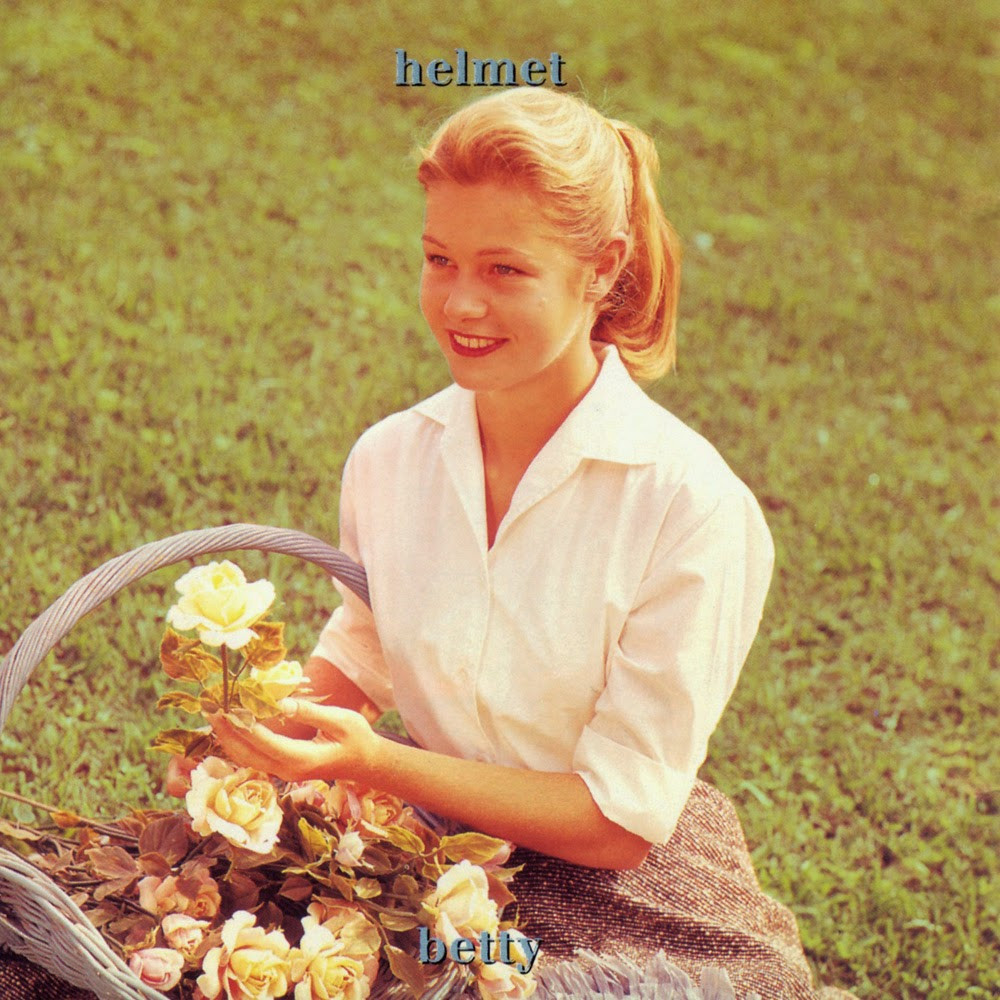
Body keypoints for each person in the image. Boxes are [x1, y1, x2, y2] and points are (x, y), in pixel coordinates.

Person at [211, 89, 857, 1000]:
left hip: (626, 885)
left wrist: (376, 763)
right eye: (439, 259)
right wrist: (257, 737)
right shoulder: (390, 459)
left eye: (506, 269)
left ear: (603, 269)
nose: (460, 302)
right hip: (429, 842)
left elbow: (616, 823)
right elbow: (364, 646)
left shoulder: (692, 508)